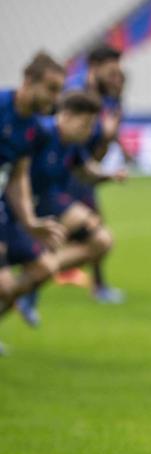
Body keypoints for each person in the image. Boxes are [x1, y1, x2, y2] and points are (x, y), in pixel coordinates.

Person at [14, 91, 126, 326]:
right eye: (85, 124)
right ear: (64, 116)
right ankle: (29, 282)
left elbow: (85, 168)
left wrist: (110, 174)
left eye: (91, 125)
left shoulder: (72, 142)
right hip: (20, 206)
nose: (88, 131)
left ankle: (30, 282)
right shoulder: (41, 133)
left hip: (49, 200)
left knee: (102, 241)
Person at [0, 52, 68, 350]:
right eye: (52, 88)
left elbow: (18, 176)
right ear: (29, 81)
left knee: (44, 267)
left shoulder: (36, 129)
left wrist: (29, 220)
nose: (56, 98)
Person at [63, 43, 127, 304]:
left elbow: (99, 148)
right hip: (62, 168)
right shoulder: (73, 93)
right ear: (94, 67)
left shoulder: (110, 96)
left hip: (80, 168)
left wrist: (111, 138)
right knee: (89, 230)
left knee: (89, 229)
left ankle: (97, 285)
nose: (115, 77)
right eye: (111, 71)